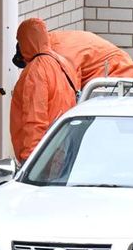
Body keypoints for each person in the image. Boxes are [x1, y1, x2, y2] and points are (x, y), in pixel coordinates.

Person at [10, 18, 80, 164]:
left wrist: (30, 158)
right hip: (64, 143)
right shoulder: (62, 62)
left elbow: (35, 117)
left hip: (45, 152)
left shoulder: (36, 71)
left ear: (25, 41)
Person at [48, 30, 133, 88]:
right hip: (114, 65)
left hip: (115, 71)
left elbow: (69, 88)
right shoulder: (55, 38)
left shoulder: (62, 53)